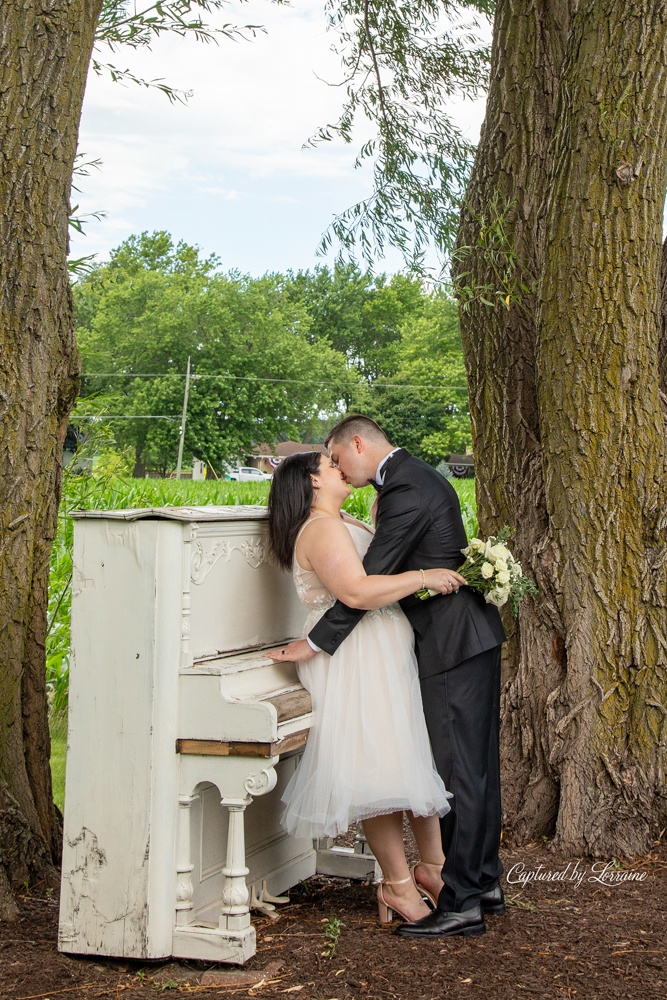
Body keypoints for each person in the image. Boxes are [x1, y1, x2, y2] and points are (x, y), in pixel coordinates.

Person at [275, 415, 507, 939]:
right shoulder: (402, 486)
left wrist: (315, 641)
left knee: (460, 771)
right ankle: (475, 883)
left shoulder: (405, 488)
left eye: (338, 457)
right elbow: (362, 584)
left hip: (450, 643)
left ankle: (465, 896)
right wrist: (317, 642)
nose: (340, 469)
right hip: (430, 646)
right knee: (461, 767)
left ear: (357, 444)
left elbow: (367, 578)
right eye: (328, 465)